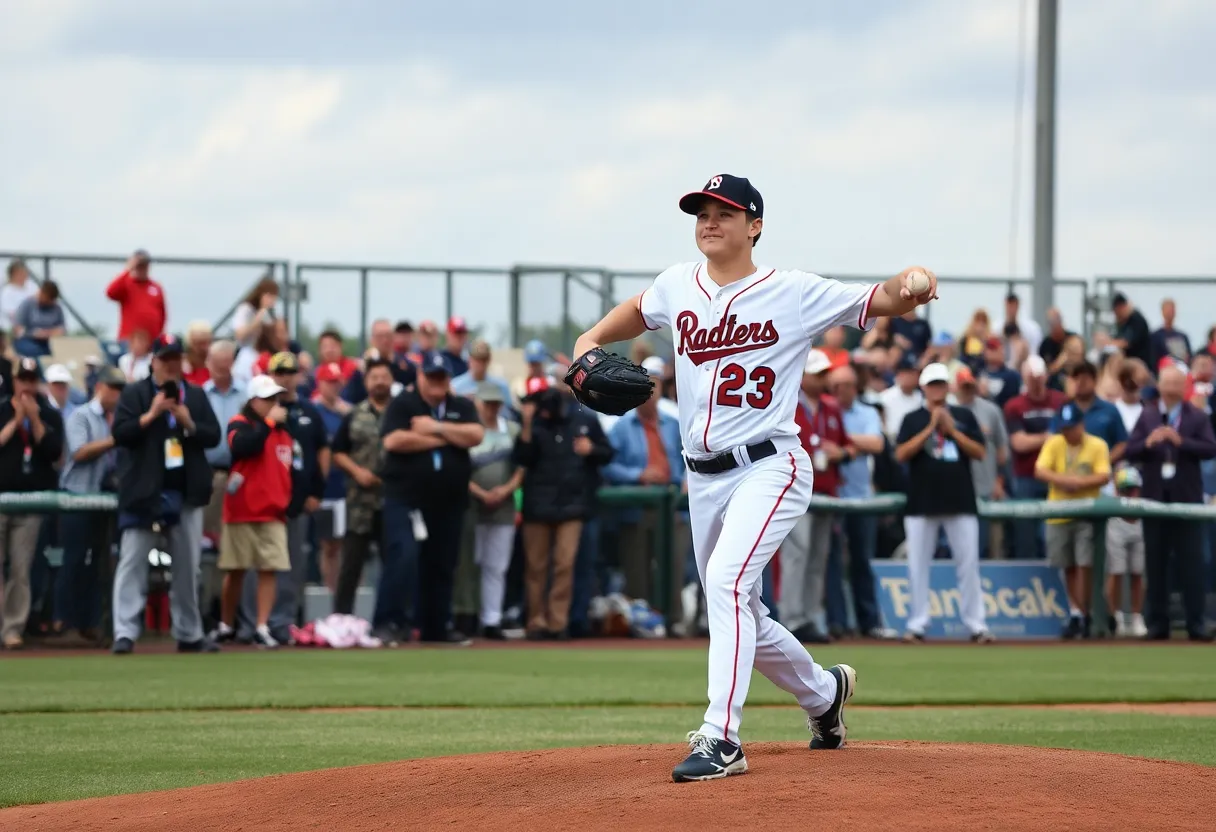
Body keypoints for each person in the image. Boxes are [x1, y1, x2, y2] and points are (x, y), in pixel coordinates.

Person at [569, 173, 940, 782]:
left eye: (724, 212)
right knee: (739, 603)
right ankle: (824, 696)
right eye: (701, 212)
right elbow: (638, 311)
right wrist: (588, 338)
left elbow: (878, 299)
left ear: (755, 225)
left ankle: (721, 738)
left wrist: (911, 285)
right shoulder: (677, 285)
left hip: (770, 465)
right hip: (704, 478)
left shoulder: (790, 291)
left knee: (725, 581)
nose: (709, 221)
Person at [110, 334, 221, 654]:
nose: (172, 365)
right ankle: (125, 632)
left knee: (188, 566)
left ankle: (189, 633)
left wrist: (188, 422)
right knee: (132, 561)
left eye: (176, 359)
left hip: (185, 490)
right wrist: (152, 414)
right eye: (166, 359)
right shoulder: (135, 393)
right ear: (154, 361)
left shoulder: (196, 395)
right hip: (144, 491)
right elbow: (122, 434)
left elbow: (213, 437)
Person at [379, 351, 483, 644]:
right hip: (407, 497)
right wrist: (449, 439)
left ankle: (436, 625)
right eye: (431, 376)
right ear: (420, 376)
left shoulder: (460, 405)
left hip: (448, 500)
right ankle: (389, 621)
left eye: (442, 377)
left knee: (442, 563)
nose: (437, 383)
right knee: (404, 555)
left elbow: (475, 435)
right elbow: (394, 440)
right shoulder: (404, 404)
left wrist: (436, 428)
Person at [894, 363, 992, 644]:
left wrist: (951, 430)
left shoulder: (963, 415)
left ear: (948, 387)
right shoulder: (912, 418)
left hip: (960, 499)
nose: (937, 389)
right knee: (917, 566)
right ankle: (917, 623)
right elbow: (901, 454)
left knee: (968, 564)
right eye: (932, 384)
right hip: (921, 502)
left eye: (941, 384)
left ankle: (976, 624)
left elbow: (980, 451)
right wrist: (930, 428)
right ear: (924, 387)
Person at [239, 351, 329, 645]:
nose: (285, 378)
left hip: (297, 501)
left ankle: (282, 622)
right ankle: (253, 623)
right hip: (263, 502)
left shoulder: (308, 412)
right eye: (279, 373)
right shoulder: (257, 416)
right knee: (257, 565)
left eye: (290, 372)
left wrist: (317, 490)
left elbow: (321, 452)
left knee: (292, 564)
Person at [514, 376, 613, 639]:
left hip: (572, 504)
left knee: (564, 565)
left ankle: (558, 623)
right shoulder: (533, 423)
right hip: (537, 504)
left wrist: (591, 448)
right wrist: (526, 422)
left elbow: (607, 453)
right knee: (535, 567)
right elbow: (522, 457)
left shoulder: (584, 420)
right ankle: (535, 622)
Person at [1125, 365, 1216, 641]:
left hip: (1186, 501)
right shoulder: (1148, 414)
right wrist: (1149, 443)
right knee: (1156, 563)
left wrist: (1181, 441)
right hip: (1155, 499)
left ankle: (1196, 623)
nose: (1172, 387)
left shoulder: (1196, 416)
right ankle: (1158, 624)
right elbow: (1130, 449)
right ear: (1160, 385)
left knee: (1192, 564)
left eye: (1177, 382)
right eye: (1167, 382)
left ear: (1183, 386)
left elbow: (1210, 448)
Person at [211, 375, 294, 649]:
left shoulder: (283, 431)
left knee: (269, 569)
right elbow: (244, 446)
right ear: (253, 401)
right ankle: (226, 624)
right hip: (243, 509)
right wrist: (269, 424)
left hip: (273, 511)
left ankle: (261, 625)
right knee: (235, 569)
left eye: (275, 399)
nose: (273, 404)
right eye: (267, 399)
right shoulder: (240, 424)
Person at [602, 359, 684, 609]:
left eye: (654, 388)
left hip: (672, 505)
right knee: (637, 572)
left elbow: (692, 457)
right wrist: (638, 474)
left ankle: (673, 623)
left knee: (674, 568)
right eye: (645, 389)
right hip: (637, 506)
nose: (650, 395)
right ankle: (641, 625)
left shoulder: (673, 425)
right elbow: (606, 465)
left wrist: (688, 481)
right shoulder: (621, 426)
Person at [53, 366, 126, 640]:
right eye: (113, 388)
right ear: (100, 387)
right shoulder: (80, 415)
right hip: (77, 496)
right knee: (73, 559)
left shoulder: (118, 417)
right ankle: (63, 620)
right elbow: (80, 452)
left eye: (120, 389)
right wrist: (115, 439)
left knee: (98, 562)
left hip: (104, 497)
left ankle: (92, 621)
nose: (117, 395)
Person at [782, 349, 848, 644]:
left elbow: (847, 446)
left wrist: (842, 452)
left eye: (824, 374)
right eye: (817, 374)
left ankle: (809, 617)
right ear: (803, 374)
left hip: (826, 488)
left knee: (818, 557)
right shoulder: (786, 402)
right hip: (796, 488)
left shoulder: (831, 408)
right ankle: (792, 619)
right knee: (798, 553)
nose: (822, 380)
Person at [0, 359, 66, 649]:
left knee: (20, 569)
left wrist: (35, 420)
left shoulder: (50, 413)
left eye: (31, 379)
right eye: (22, 379)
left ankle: (12, 629)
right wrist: (16, 421)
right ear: (13, 381)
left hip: (30, 502)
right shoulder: (2, 409)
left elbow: (54, 454)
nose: (26, 385)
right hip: (1, 498)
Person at [1035, 403, 1112, 638]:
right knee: (1067, 566)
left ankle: (1087, 613)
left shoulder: (1097, 444)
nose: (1068, 433)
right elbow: (1040, 470)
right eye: (1065, 429)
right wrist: (1063, 480)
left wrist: (1078, 483)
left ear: (1082, 425)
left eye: (1072, 428)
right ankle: (1077, 612)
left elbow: (1104, 474)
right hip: (1059, 513)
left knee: (1085, 564)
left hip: (1086, 513)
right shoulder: (1054, 442)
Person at [826, 364, 888, 636]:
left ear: (855, 387)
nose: (841, 391)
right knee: (832, 561)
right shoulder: (827, 410)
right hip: (834, 496)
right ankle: (837, 623)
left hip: (861, 496)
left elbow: (877, 444)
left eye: (846, 385)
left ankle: (869, 622)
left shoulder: (867, 411)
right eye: (837, 386)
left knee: (862, 559)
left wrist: (842, 442)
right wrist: (848, 446)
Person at [331, 357, 394, 620]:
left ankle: (390, 619)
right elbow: (337, 452)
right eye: (374, 377)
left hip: (393, 501)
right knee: (351, 565)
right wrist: (357, 472)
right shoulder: (354, 414)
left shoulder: (402, 413)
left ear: (392, 380)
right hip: (360, 501)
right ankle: (342, 619)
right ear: (366, 382)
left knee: (395, 564)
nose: (379, 381)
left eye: (384, 376)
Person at [466, 383, 525, 639]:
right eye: (487, 403)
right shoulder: (469, 430)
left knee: (497, 565)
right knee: (473, 562)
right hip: (474, 505)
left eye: (495, 403)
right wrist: (480, 493)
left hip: (503, 505)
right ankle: (470, 615)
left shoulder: (512, 430)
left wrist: (505, 490)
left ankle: (492, 618)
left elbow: (521, 467)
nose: (491, 408)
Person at [1004, 355, 1067, 560]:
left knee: (1055, 530)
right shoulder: (1015, 405)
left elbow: (1067, 437)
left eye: (1038, 378)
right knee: (1026, 533)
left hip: (1056, 475)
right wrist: (1048, 438)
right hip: (1026, 475)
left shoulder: (1060, 400)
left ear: (1046, 377)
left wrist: (1036, 439)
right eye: (1031, 378)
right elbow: (1018, 443)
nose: (1035, 383)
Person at [951, 367, 1009, 559]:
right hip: (958, 492)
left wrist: (999, 481)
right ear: (955, 387)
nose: (967, 390)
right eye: (963, 386)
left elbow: (1002, 451)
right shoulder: (946, 412)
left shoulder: (990, 410)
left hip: (987, 489)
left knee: (994, 546)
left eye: (970, 385)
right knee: (963, 549)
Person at [200, 341, 248, 555]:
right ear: (208, 364)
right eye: (217, 366)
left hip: (240, 472)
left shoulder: (245, 395)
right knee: (209, 535)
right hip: (208, 471)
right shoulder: (200, 395)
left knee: (235, 537)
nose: (221, 372)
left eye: (225, 366)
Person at [312, 362, 351, 592]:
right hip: (325, 488)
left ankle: (344, 593)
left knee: (346, 544)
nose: (334, 387)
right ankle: (329, 591)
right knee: (328, 544)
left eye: (337, 382)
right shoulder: (315, 410)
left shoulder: (348, 411)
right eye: (330, 382)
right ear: (320, 383)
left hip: (345, 486)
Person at [1106, 466, 1148, 638]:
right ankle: (1117, 618)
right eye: (1124, 489)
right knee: (1116, 572)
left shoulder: (1143, 502)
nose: (1129, 493)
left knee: (1137, 573)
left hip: (1138, 527)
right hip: (1116, 526)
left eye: (1132, 489)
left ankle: (1136, 617)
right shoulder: (1111, 498)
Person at [106, 250, 166, 342]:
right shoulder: (126, 283)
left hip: (151, 341)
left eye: (144, 266)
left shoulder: (156, 287)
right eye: (139, 266)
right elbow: (110, 293)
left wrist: (160, 334)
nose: (142, 269)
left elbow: (163, 313)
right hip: (129, 341)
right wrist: (128, 269)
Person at [231, 276, 279, 383]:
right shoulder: (245, 310)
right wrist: (261, 313)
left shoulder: (270, 315)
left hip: (264, 355)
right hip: (246, 354)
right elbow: (240, 335)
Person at [11, 279, 66, 357]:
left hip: (48, 342)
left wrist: (47, 333)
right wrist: (33, 333)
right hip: (27, 340)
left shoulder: (56, 308)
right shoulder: (27, 304)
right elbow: (18, 329)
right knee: (37, 353)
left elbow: (62, 329)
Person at [878, 353, 923, 442]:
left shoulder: (922, 398)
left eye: (913, 373)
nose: (909, 377)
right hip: (892, 441)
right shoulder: (885, 398)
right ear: (898, 375)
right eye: (906, 372)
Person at [451, 339, 512, 404]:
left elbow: (508, 411)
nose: (480, 364)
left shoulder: (500, 386)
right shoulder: (455, 386)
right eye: (477, 359)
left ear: (489, 360)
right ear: (470, 359)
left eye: (483, 360)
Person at [977, 336, 1020, 409]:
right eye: (988, 349)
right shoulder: (978, 373)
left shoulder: (1012, 376)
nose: (990, 352)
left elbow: (1012, 401)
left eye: (994, 349)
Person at [1110, 293, 1151, 368]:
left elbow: (1126, 342)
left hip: (1140, 365)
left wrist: (1107, 343)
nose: (1116, 316)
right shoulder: (1122, 323)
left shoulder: (1136, 320)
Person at [1150, 298, 1192, 370]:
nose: (1170, 313)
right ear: (1162, 311)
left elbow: (1189, 357)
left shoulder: (1182, 336)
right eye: (1167, 310)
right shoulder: (1155, 337)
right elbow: (1152, 359)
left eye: (1172, 310)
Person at [1, 259, 38, 332]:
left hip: (33, 326)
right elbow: (12, 315)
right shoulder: (7, 291)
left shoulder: (32, 286)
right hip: (12, 329)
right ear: (13, 274)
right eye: (21, 273)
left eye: (25, 272)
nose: (24, 275)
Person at [1002, 293, 1042, 357]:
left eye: (1014, 305)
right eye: (1009, 305)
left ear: (1018, 305)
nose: (1011, 309)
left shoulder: (1032, 328)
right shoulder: (997, 327)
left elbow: (1035, 351)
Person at [1113, 362, 1146, 435]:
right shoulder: (1113, 409)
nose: (1140, 388)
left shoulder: (1149, 409)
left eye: (1143, 382)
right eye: (1132, 384)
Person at [182, 321, 214, 386]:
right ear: (190, 344)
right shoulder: (181, 368)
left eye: (206, 343)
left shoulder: (216, 368)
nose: (203, 348)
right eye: (199, 343)